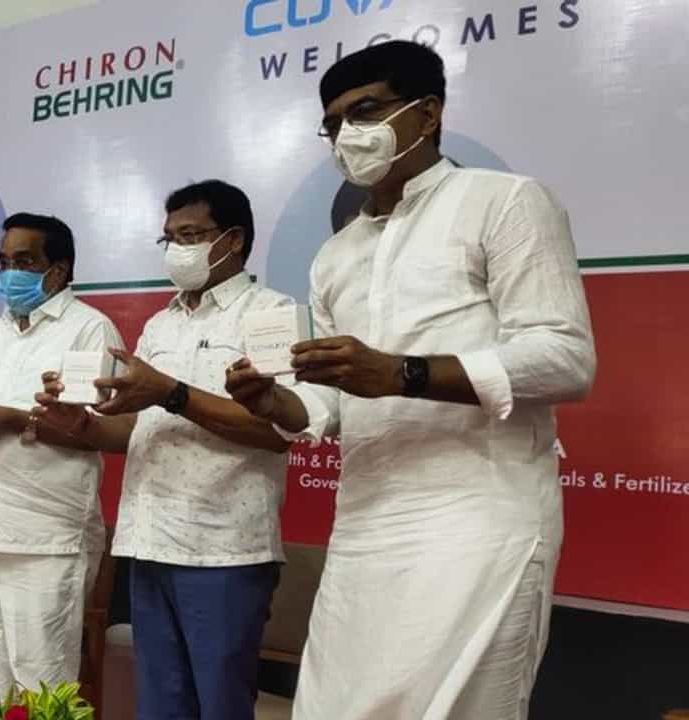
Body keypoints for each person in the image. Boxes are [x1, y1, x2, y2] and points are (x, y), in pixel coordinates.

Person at [224, 41, 596, 720]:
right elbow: (330, 406)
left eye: (366, 111)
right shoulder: (335, 255)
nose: (347, 135)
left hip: (483, 515)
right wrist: (273, 400)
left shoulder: (505, 201)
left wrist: (402, 373)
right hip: (365, 521)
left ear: (427, 114)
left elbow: (565, 357)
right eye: (333, 124)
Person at [35, 181, 294, 719]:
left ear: (233, 240)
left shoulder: (270, 313)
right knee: (159, 705)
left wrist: (172, 393)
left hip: (223, 547)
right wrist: (81, 424)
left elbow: (279, 428)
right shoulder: (161, 323)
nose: (177, 248)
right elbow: (136, 429)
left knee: (220, 705)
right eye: (170, 237)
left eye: (191, 235)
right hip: (150, 539)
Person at [0, 213, 122, 718]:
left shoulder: (90, 329)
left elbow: (101, 430)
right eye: (4, 261)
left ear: (59, 269)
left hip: (43, 533)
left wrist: (14, 420)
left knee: (43, 678)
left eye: (25, 261)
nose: (11, 272)